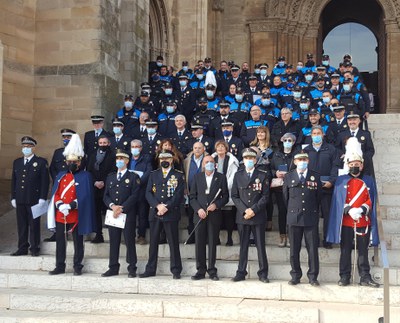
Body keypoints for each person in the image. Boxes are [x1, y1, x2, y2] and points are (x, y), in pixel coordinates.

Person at [327, 149, 379, 287]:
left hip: (362, 220)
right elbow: (338, 200)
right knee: (345, 250)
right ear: (348, 165)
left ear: (361, 165)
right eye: (351, 163)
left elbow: (371, 199)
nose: (354, 166)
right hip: (346, 221)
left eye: (357, 163)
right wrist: (349, 210)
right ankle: (344, 276)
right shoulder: (341, 180)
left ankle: (365, 277)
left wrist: (362, 209)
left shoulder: (368, 180)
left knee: (363, 250)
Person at [47, 134, 96, 275]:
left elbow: (86, 196)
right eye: (69, 161)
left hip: (75, 213)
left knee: (78, 242)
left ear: (80, 162)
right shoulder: (61, 175)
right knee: (60, 242)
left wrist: (71, 206)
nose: (71, 164)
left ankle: (77, 266)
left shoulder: (86, 176)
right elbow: (56, 192)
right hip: (61, 213)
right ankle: (59, 266)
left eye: (74, 161)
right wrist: (60, 205)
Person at [140, 150, 185, 279]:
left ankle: (176, 270)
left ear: (172, 160)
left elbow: (178, 195)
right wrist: (157, 206)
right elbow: (148, 192)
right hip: (155, 212)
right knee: (153, 242)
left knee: (173, 242)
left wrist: (167, 206)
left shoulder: (178, 175)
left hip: (170, 212)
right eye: (162, 159)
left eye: (167, 159)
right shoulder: (154, 174)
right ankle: (150, 269)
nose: (164, 161)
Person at [231, 148, 270, 283]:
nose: (249, 160)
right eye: (246, 158)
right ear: (243, 160)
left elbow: (265, 196)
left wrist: (253, 210)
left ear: (255, 160)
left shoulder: (263, 175)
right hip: (243, 216)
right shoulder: (238, 175)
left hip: (257, 215)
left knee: (260, 245)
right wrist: (244, 210)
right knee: (243, 246)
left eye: (251, 158)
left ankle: (263, 273)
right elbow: (234, 196)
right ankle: (241, 272)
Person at [283, 152, 321, 286]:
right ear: (294, 161)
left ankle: (313, 276)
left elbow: (318, 197)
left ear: (308, 161)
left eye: (304, 159)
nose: (302, 161)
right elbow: (285, 197)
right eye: (299, 159)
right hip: (294, 217)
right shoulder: (289, 176)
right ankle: (295, 275)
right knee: (294, 249)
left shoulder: (315, 176)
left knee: (312, 249)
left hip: (310, 216)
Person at [102, 149, 141, 278]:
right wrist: (113, 206)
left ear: (127, 161)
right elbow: (106, 195)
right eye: (117, 159)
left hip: (127, 214)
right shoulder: (111, 177)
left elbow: (135, 195)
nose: (119, 161)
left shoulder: (133, 177)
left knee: (129, 240)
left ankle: (132, 268)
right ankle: (113, 267)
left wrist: (122, 208)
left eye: (122, 159)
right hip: (113, 214)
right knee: (113, 241)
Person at [189, 155, 229, 281]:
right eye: (207, 162)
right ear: (203, 164)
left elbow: (225, 196)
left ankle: (212, 270)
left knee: (212, 242)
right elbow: (192, 197)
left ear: (215, 164)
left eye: (211, 162)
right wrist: (198, 209)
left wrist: (216, 205)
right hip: (200, 215)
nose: (209, 164)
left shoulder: (221, 177)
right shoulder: (197, 177)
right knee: (199, 243)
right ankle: (200, 270)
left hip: (214, 215)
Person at [11, 136, 50, 257]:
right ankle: (22, 247)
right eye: (24, 146)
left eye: (28, 146)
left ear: (34, 147)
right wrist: (13, 197)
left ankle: (34, 247)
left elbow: (45, 181)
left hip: (34, 199)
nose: (26, 148)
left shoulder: (41, 162)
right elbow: (14, 181)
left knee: (34, 225)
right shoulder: (17, 162)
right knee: (21, 225)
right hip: (20, 199)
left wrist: (43, 197)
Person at [303, 125, 341, 249]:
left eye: (318, 133)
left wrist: (332, 181)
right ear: (311, 135)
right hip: (311, 188)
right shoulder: (306, 150)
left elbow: (336, 166)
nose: (316, 135)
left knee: (327, 215)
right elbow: (302, 168)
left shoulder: (331, 149)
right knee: (311, 215)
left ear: (323, 135)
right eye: (314, 133)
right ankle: (313, 240)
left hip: (327, 188)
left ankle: (327, 240)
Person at [270, 133, 298, 247]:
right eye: (285, 140)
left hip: (293, 187)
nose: (287, 142)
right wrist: (275, 173)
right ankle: (282, 236)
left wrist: (290, 174)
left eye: (290, 140)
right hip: (280, 188)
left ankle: (291, 236)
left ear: (294, 142)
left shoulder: (297, 154)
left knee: (291, 212)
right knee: (282, 212)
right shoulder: (276, 154)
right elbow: (270, 169)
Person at [86, 135, 115, 243]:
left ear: (109, 144)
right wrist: (95, 182)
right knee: (96, 212)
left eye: (105, 143)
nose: (103, 145)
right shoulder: (93, 155)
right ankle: (99, 234)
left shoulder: (113, 155)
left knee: (109, 210)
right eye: (101, 143)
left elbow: (113, 170)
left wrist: (104, 181)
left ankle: (113, 235)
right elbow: (89, 170)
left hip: (108, 187)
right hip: (95, 188)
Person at [211, 140, 239, 246]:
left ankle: (229, 238)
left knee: (228, 216)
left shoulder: (231, 160)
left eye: (222, 146)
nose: (220, 148)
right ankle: (216, 238)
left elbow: (233, 175)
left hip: (228, 189)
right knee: (216, 216)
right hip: (215, 191)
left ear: (226, 148)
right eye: (218, 147)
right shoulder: (212, 159)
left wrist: (225, 187)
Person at [183, 142, 207, 244]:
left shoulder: (207, 159)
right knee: (191, 215)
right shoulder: (187, 160)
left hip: (203, 192)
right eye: (195, 148)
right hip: (190, 192)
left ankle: (203, 238)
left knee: (202, 214)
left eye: (199, 148)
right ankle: (191, 236)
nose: (197, 150)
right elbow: (184, 175)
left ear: (204, 149)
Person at [129, 139, 153, 245]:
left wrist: (138, 182)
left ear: (141, 148)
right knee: (130, 215)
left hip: (141, 190)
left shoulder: (146, 159)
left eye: (137, 146)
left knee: (142, 215)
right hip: (129, 192)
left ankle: (141, 236)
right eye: (133, 147)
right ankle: (130, 236)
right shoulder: (127, 159)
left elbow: (148, 172)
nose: (135, 149)